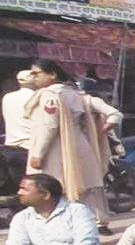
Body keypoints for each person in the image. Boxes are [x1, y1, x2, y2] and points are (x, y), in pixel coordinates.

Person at [25, 59, 111, 234]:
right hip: (79, 144)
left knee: (56, 191)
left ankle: (65, 231)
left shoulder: (50, 96)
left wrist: (38, 154)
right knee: (84, 191)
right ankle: (90, 228)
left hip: (58, 149)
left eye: (36, 73)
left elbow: (49, 126)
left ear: (52, 75)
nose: (32, 77)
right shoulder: (73, 93)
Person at [2, 70, 35, 195]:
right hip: (31, 148)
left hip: (10, 147)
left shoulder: (7, 97)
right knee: (35, 188)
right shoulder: (37, 97)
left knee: (20, 186)